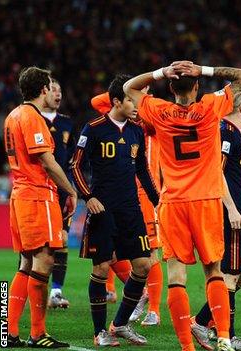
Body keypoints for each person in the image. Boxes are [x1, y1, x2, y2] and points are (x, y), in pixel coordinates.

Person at [123, 60, 241, 351]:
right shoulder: (209, 106)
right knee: (214, 271)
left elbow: (128, 87)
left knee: (176, 277)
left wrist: (159, 72)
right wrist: (203, 70)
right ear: (195, 86)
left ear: (170, 87)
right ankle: (222, 339)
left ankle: (186, 346)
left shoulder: (159, 110)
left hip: (174, 202)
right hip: (206, 201)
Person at [73, 74, 159, 346]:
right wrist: (87, 197)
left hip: (131, 209)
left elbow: (142, 170)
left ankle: (120, 324)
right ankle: (100, 333)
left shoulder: (136, 130)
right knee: (101, 267)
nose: (137, 106)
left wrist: (159, 202)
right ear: (116, 101)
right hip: (103, 209)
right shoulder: (94, 127)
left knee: (143, 265)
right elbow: (75, 165)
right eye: (132, 101)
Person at [4, 66, 77, 348]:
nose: (53, 91)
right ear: (43, 90)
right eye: (50, 86)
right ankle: (37, 333)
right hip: (37, 195)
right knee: (45, 260)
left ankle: (8, 332)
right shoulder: (32, 118)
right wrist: (70, 190)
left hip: (19, 194)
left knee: (26, 263)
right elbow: (47, 161)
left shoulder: (12, 116)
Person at [191, 92, 241, 351]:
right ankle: (227, 334)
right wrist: (232, 210)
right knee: (230, 275)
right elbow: (215, 170)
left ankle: (203, 320)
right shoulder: (224, 131)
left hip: (238, 212)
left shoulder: (235, 132)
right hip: (230, 212)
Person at [91, 88, 163, 326]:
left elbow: (143, 167)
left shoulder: (151, 122)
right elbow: (98, 101)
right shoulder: (120, 119)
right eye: (130, 99)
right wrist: (132, 86)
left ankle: (153, 309)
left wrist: (141, 97)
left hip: (144, 193)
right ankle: (138, 295)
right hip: (118, 195)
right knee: (110, 256)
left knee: (150, 253)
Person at [40, 79, 75, 309]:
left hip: (63, 190)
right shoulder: (33, 119)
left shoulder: (67, 123)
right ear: (43, 92)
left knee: (62, 241)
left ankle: (56, 292)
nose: (58, 94)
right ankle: (31, 292)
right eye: (53, 90)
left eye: (61, 90)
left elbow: (72, 157)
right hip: (40, 189)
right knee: (35, 246)